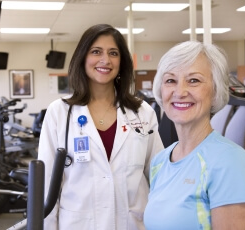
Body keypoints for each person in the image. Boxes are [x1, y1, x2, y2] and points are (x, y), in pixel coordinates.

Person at [38, 24, 164, 230]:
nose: (105, 60)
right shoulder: (60, 112)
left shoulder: (142, 112)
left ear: (121, 61)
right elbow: (47, 186)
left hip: (133, 223)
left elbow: (159, 175)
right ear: (82, 58)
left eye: (113, 53)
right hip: (79, 224)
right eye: (96, 52)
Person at [144, 41, 245, 229]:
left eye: (194, 80)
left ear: (215, 91)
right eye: (170, 80)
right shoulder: (160, 162)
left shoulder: (231, 163)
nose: (180, 92)